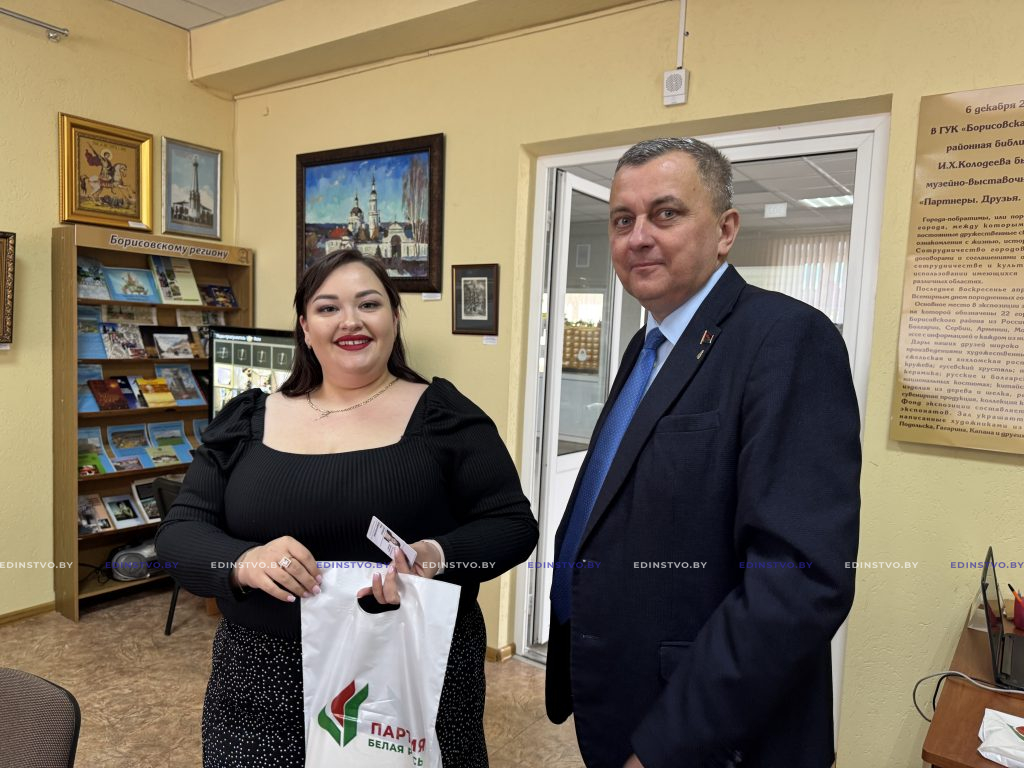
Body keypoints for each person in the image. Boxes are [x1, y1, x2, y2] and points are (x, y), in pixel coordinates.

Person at [544, 138, 861, 768]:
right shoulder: (646, 348)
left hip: (706, 732)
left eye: (665, 214)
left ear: (725, 231)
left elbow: (796, 582)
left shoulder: (787, 339)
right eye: (622, 220)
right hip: (624, 691)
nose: (638, 237)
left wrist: (667, 748)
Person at [156, 249, 538, 768]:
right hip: (261, 684)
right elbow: (179, 534)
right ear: (305, 327)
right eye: (328, 307)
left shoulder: (446, 417)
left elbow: (512, 525)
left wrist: (436, 555)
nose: (350, 321)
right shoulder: (246, 421)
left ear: (394, 318)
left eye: (368, 304)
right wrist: (245, 562)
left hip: (407, 674)